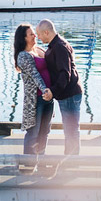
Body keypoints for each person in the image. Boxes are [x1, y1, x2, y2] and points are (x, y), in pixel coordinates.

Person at [36, 18, 83, 155]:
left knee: (71, 130)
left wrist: (52, 91)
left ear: (46, 32)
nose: (38, 37)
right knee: (70, 129)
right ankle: (70, 159)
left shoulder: (60, 47)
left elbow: (65, 74)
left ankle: (71, 162)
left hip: (70, 94)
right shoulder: (54, 45)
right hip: (66, 93)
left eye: (39, 34)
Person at [13, 23, 53, 155]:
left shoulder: (40, 50)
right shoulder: (23, 56)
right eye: (31, 34)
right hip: (36, 99)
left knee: (45, 131)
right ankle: (28, 164)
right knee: (33, 132)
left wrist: (53, 92)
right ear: (23, 38)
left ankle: (41, 161)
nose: (34, 35)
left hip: (49, 97)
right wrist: (46, 90)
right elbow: (35, 75)